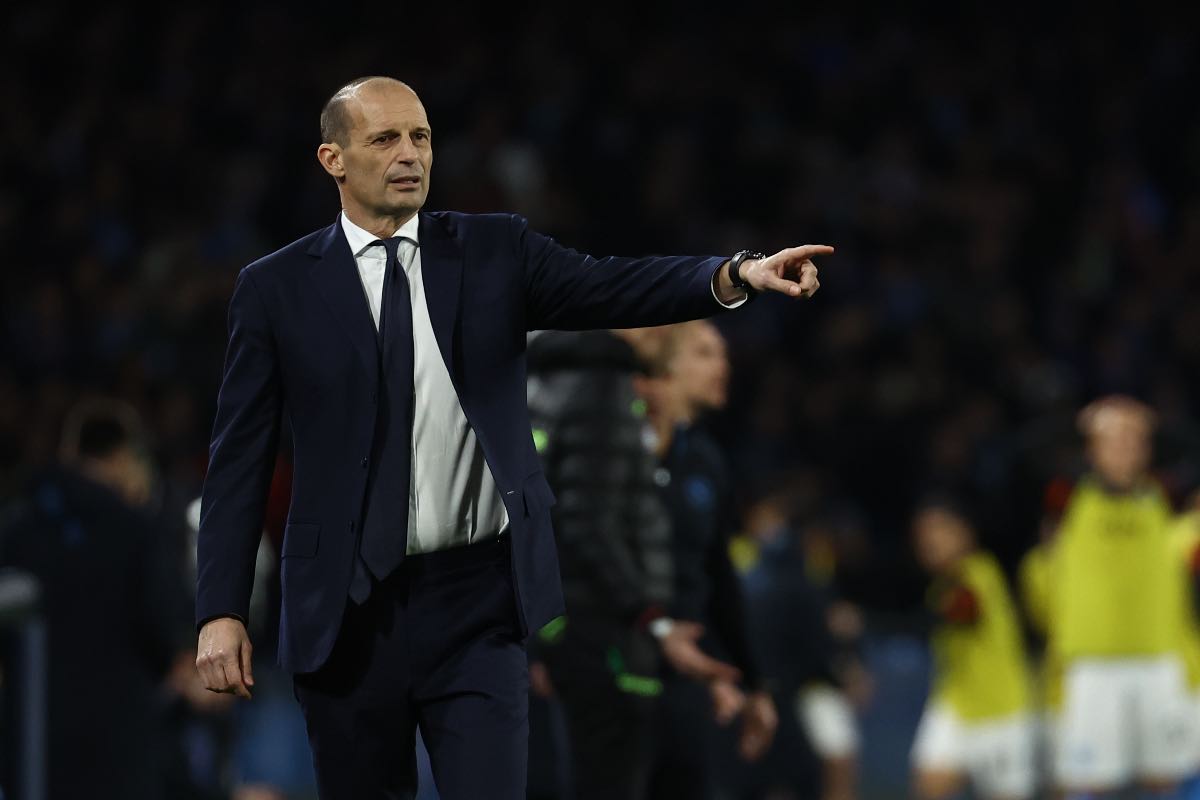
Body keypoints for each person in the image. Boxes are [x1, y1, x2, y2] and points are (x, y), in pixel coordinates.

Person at [193, 75, 830, 800]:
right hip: (344, 608)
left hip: (478, 602)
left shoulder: (493, 249)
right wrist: (221, 609)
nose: (410, 154)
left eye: (421, 137)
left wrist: (734, 273)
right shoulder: (275, 287)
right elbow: (238, 461)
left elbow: (612, 286)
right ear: (332, 158)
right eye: (386, 138)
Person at [524, 327, 740, 800]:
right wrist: (652, 619)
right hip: (605, 634)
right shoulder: (600, 389)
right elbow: (587, 524)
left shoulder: (557, 380)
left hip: (584, 629)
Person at [0, 398, 198, 800]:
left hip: (32, 744)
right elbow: (172, 644)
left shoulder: (17, 528)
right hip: (120, 748)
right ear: (124, 457)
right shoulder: (135, 531)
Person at [637, 320, 778, 799]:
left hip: (687, 680)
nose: (723, 366)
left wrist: (753, 682)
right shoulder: (615, 448)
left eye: (723, 354)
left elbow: (718, 578)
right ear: (664, 366)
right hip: (617, 660)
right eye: (704, 353)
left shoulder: (706, 460)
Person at [1050, 396, 1195, 798]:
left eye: (1133, 440)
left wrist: (1154, 422)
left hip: (1158, 657)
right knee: (1087, 781)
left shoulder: (1166, 498)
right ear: (1090, 450)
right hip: (1094, 663)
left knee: (1164, 778)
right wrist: (1085, 418)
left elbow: (1190, 450)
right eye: (1111, 440)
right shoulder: (1068, 499)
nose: (1123, 448)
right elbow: (1034, 452)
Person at [909, 498, 1035, 800]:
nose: (929, 541)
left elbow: (963, 610)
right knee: (928, 784)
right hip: (954, 704)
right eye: (921, 534)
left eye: (939, 529)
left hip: (1000, 709)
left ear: (965, 533)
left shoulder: (981, 573)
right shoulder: (938, 587)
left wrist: (869, 620)